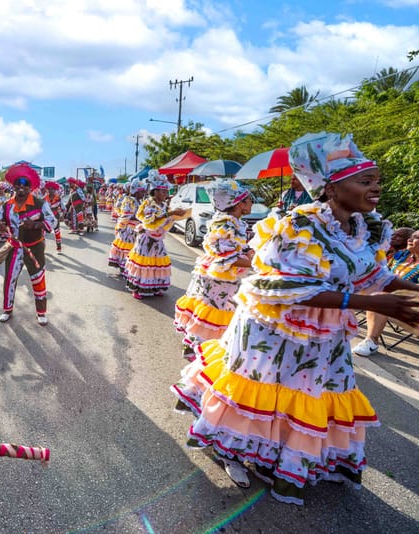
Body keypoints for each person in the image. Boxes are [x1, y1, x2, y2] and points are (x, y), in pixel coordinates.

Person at [170, 132, 419, 503]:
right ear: (332, 189)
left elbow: (373, 274)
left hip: (325, 333)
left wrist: (407, 290)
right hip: (272, 331)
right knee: (260, 392)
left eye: (377, 181)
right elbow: (284, 289)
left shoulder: (368, 228)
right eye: (365, 181)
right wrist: (376, 304)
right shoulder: (298, 226)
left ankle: (284, 457)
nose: (376, 189)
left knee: (311, 393)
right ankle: (232, 451)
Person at [173, 179, 254, 361]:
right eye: (249, 200)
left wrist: (248, 251)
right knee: (215, 311)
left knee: (213, 308)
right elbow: (227, 256)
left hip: (222, 277)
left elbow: (237, 248)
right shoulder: (226, 224)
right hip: (220, 278)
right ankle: (201, 350)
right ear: (239, 204)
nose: (252, 204)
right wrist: (254, 261)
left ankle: (198, 346)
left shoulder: (232, 222)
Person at [0, 163, 57, 325]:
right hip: (14, 248)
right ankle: (7, 310)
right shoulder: (7, 206)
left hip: (34, 248)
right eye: (19, 185)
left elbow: (53, 221)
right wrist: (0, 226)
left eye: (25, 185)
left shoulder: (40, 204)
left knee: (37, 279)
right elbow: (0, 224)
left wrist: (36, 225)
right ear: (14, 187)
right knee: (10, 279)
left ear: (30, 188)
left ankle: (41, 312)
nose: (21, 188)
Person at [353, 227, 419, 356]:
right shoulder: (402, 255)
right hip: (388, 296)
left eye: (417, 238)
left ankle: (371, 341)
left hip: (411, 304)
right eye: (411, 236)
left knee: (380, 296)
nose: (410, 239)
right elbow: (382, 270)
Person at [124, 177, 185, 298]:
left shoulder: (163, 205)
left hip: (158, 239)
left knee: (157, 263)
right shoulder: (148, 203)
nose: (166, 194)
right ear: (155, 191)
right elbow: (150, 220)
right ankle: (137, 289)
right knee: (143, 264)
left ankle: (155, 287)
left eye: (167, 192)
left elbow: (163, 220)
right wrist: (171, 213)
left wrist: (174, 216)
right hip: (146, 239)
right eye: (163, 191)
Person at [107, 179, 146, 275]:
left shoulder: (139, 201)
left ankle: (130, 269)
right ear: (136, 192)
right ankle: (125, 269)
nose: (143, 193)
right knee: (127, 251)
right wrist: (139, 217)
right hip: (129, 230)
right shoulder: (129, 200)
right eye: (141, 191)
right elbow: (126, 215)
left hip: (137, 229)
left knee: (135, 251)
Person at [44, 181, 64, 253]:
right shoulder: (44, 199)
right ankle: (42, 248)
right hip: (46, 218)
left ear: (55, 190)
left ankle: (59, 248)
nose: (51, 190)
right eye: (49, 189)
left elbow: (63, 209)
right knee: (43, 233)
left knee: (57, 231)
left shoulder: (58, 198)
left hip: (56, 217)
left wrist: (62, 216)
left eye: (52, 189)